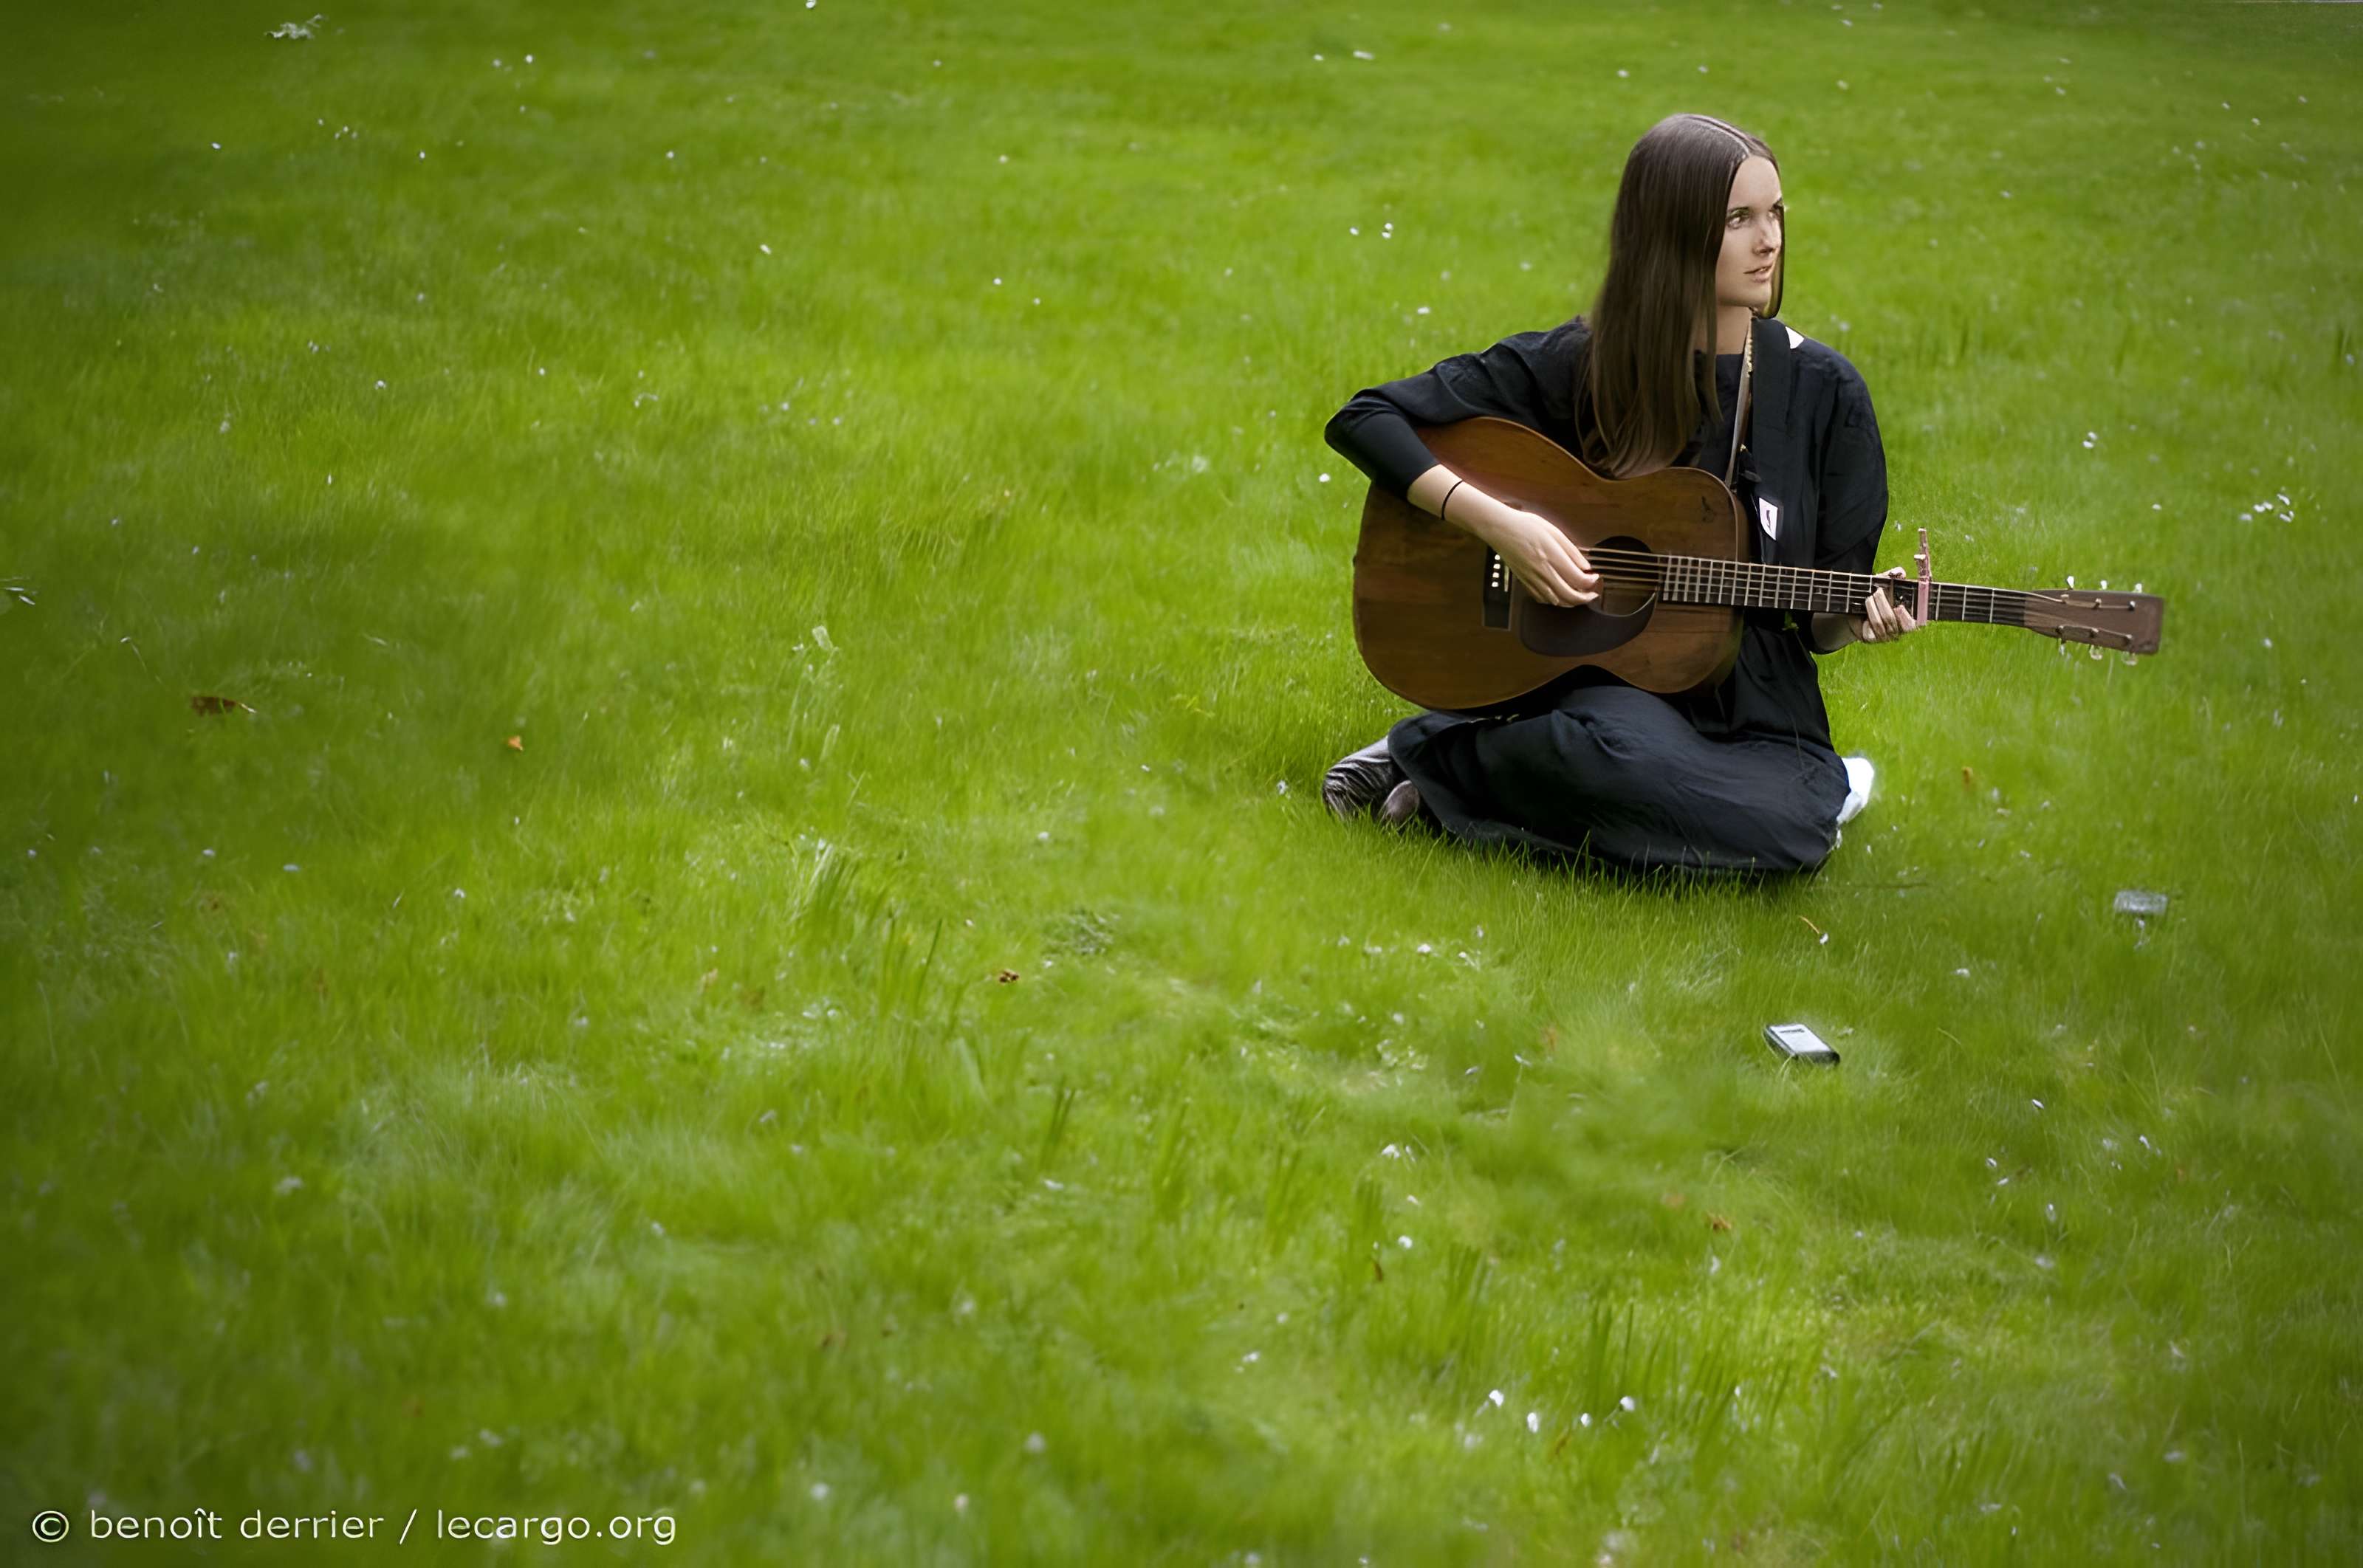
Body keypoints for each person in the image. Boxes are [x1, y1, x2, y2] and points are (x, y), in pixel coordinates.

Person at [1320, 112, 1917, 876]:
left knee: (1791, 836)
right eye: (1738, 219)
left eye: (1774, 214)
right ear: (1669, 232)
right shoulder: (1586, 363)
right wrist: (1500, 524)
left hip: (1756, 712)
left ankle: (1449, 786)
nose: (1767, 241)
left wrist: (1857, 618)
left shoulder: (1824, 392)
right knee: (1617, 757)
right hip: (1610, 699)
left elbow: (1819, 629)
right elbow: (1366, 419)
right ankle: (1448, 756)